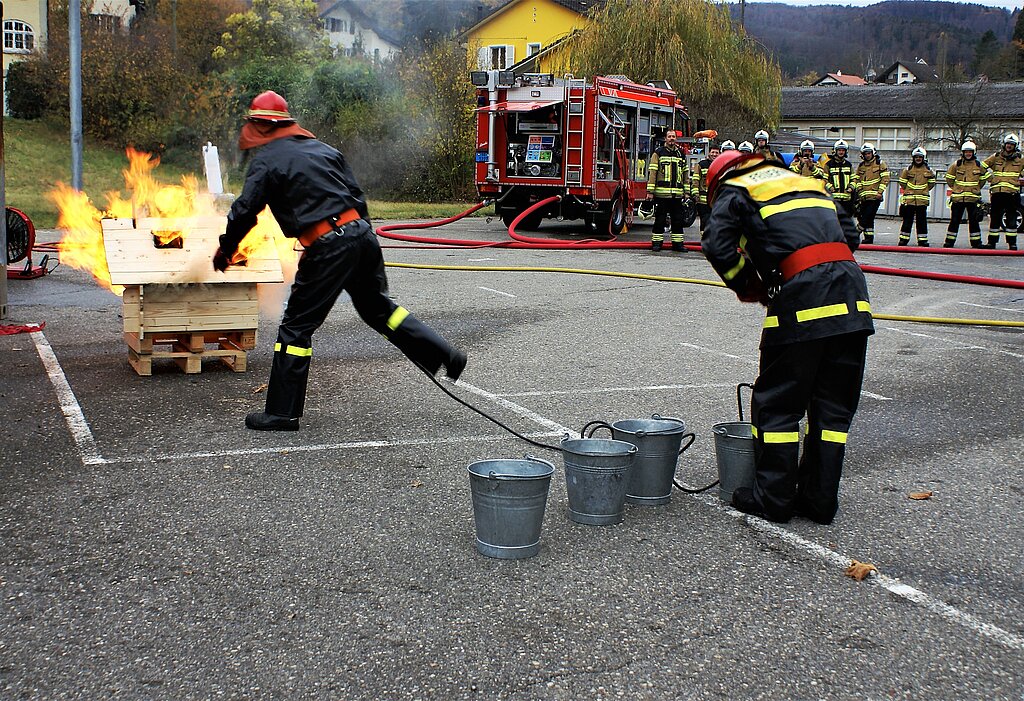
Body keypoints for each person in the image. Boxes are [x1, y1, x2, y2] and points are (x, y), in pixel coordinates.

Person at [213, 90, 467, 431]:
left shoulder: (267, 158)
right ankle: (443, 355)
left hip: (329, 245)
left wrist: (226, 250)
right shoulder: (324, 149)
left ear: (259, 128)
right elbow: (357, 196)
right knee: (379, 310)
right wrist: (360, 240)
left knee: (296, 328)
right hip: (361, 235)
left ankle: (281, 413)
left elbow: (245, 210)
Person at [701, 150, 874, 524]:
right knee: (832, 409)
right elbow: (850, 236)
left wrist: (753, 286)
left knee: (778, 403)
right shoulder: (810, 182)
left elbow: (717, 245)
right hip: (853, 299)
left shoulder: (737, 186)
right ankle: (819, 500)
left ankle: (773, 499)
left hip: (802, 298)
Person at [646, 129, 691, 252]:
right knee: (660, 219)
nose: (671, 138)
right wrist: (650, 191)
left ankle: (678, 244)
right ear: (665, 139)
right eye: (669, 136)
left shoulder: (681, 154)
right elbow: (653, 172)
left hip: (677, 195)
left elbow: (685, 174)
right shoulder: (658, 153)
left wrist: (687, 192)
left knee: (678, 220)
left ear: (676, 139)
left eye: (673, 137)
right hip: (662, 194)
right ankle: (657, 243)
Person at [980, 133, 1023, 250]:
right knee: (995, 218)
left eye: (1012, 144)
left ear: (1016, 146)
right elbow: (981, 167)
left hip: (1012, 194)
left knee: (1011, 220)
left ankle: (1012, 243)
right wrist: (990, 179)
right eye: (1008, 144)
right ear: (1004, 144)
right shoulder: (996, 157)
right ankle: (991, 243)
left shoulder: (1021, 159)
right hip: (997, 193)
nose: (1009, 146)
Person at [944, 140, 989, 248]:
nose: (968, 154)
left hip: (973, 199)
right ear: (963, 153)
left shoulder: (979, 165)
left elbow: (983, 180)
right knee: (954, 221)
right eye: (966, 152)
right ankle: (949, 242)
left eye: (970, 152)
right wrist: (956, 188)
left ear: (974, 153)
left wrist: (975, 189)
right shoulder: (957, 165)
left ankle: (976, 243)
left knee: (974, 222)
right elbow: (949, 178)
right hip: (958, 199)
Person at [896, 146, 936, 246]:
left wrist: (923, 191)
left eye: (920, 157)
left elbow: (931, 183)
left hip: (922, 201)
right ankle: (903, 239)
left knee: (921, 221)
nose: (918, 159)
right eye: (916, 157)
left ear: (924, 158)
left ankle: (922, 240)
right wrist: (910, 191)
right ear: (913, 158)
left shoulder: (928, 171)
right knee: (907, 221)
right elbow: (902, 183)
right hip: (909, 200)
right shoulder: (908, 170)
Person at [851, 143, 889, 244]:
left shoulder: (880, 163)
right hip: (864, 197)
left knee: (867, 216)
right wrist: (860, 191)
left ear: (873, 153)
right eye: (865, 153)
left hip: (875, 197)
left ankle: (856, 232)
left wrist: (880, 192)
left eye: (869, 153)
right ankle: (869, 237)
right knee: (867, 217)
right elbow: (856, 179)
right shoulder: (861, 166)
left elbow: (885, 179)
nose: (867, 155)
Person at [690, 143, 722, 237]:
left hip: (716, 200)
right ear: (709, 153)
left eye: (717, 152)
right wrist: (695, 194)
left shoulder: (722, 165)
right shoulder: (701, 165)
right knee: (705, 220)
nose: (714, 154)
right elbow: (695, 180)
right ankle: (705, 240)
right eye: (713, 152)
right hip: (703, 199)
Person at [821, 139, 857, 219]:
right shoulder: (829, 165)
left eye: (843, 150)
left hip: (847, 200)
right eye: (839, 150)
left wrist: (851, 187)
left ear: (846, 151)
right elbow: (824, 179)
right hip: (834, 199)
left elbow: (854, 179)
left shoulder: (848, 165)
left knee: (846, 222)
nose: (841, 152)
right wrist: (830, 187)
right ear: (835, 151)